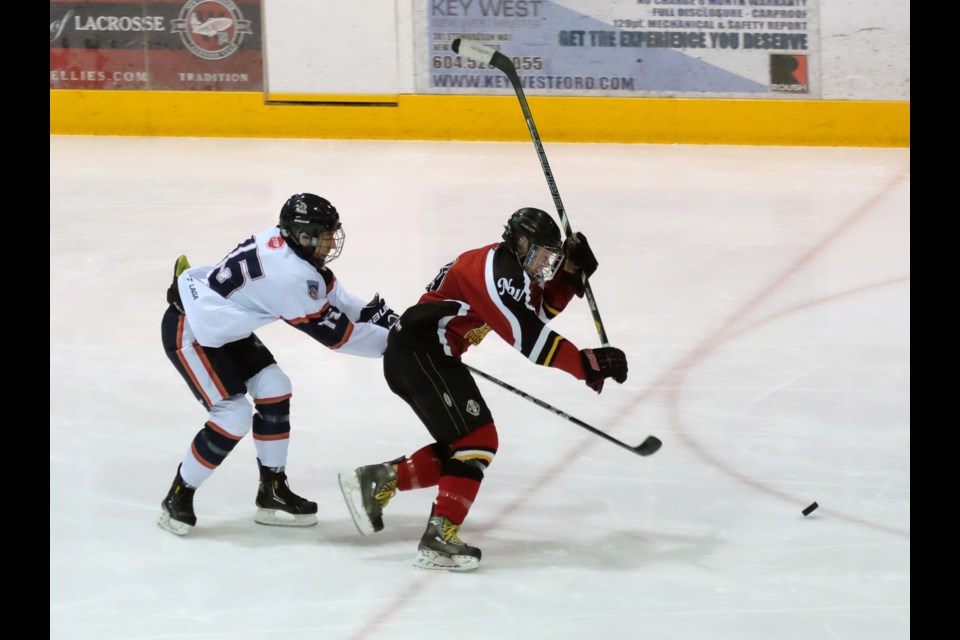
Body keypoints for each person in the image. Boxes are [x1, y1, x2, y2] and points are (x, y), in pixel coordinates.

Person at [337, 207, 628, 571]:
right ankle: (439, 537)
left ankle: (378, 480)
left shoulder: (512, 270)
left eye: (552, 258)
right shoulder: (494, 273)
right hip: (422, 355)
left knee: (465, 446)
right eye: (543, 254)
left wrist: (569, 277)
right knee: (478, 441)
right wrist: (586, 365)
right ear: (521, 242)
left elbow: (533, 313)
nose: (546, 265)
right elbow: (529, 338)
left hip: (422, 356)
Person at [158, 193, 398, 536]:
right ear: (303, 235)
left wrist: (381, 318)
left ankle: (271, 489)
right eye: (324, 233)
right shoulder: (289, 277)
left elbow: (334, 297)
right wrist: (396, 345)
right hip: (193, 331)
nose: (331, 241)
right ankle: (178, 495)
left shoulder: (286, 246)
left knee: (275, 387)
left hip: (221, 325)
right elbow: (339, 337)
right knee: (232, 415)